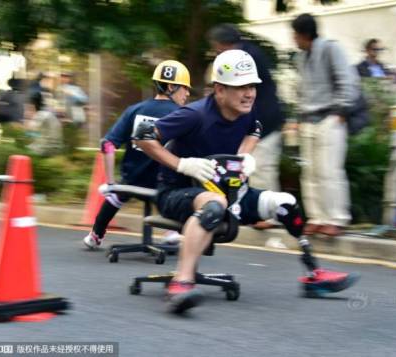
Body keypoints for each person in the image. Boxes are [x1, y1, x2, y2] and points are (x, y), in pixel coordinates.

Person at [134, 49, 358, 314]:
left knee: (286, 204)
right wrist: (182, 164)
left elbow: (255, 129)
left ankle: (314, 276)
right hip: (177, 193)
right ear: (219, 89)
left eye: (251, 85)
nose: (249, 93)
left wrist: (244, 156)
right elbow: (142, 135)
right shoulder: (194, 115)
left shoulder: (246, 111)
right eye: (240, 86)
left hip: (229, 192)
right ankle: (181, 285)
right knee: (213, 205)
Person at [83, 60, 191, 249]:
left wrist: (110, 183)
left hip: (131, 180)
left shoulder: (135, 110)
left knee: (116, 196)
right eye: (185, 88)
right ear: (172, 86)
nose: (188, 94)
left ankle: (95, 235)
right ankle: (172, 231)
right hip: (164, 184)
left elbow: (108, 144)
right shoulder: (183, 114)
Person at [290, 13, 359, 237]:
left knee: (329, 170)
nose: (293, 38)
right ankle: (317, 217)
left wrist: (342, 110)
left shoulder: (330, 48)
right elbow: (301, 89)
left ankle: (336, 218)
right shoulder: (300, 58)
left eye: (295, 34)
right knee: (309, 172)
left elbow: (347, 80)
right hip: (308, 118)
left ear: (304, 34)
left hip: (330, 116)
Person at [207, 23, 285, 194]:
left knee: (261, 165)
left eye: (217, 48)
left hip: (265, 119)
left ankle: (268, 213)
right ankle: (261, 210)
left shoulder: (246, 58)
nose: (216, 52)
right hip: (257, 118)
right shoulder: (245, 54)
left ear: (223, 44)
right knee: (252, 165)